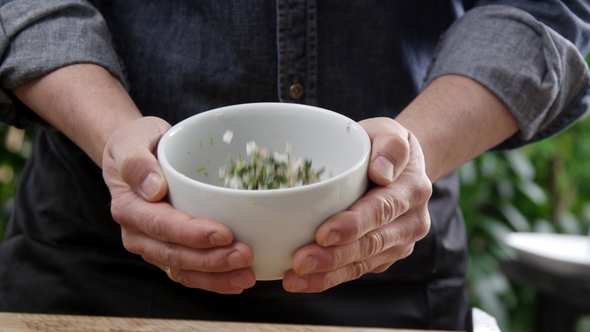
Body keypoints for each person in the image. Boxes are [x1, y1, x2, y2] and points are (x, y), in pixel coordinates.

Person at [0, 1, 588, 331]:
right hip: (101, 262)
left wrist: (414, 148)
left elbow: (545, 11)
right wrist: (114, 137)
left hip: (386, 256)